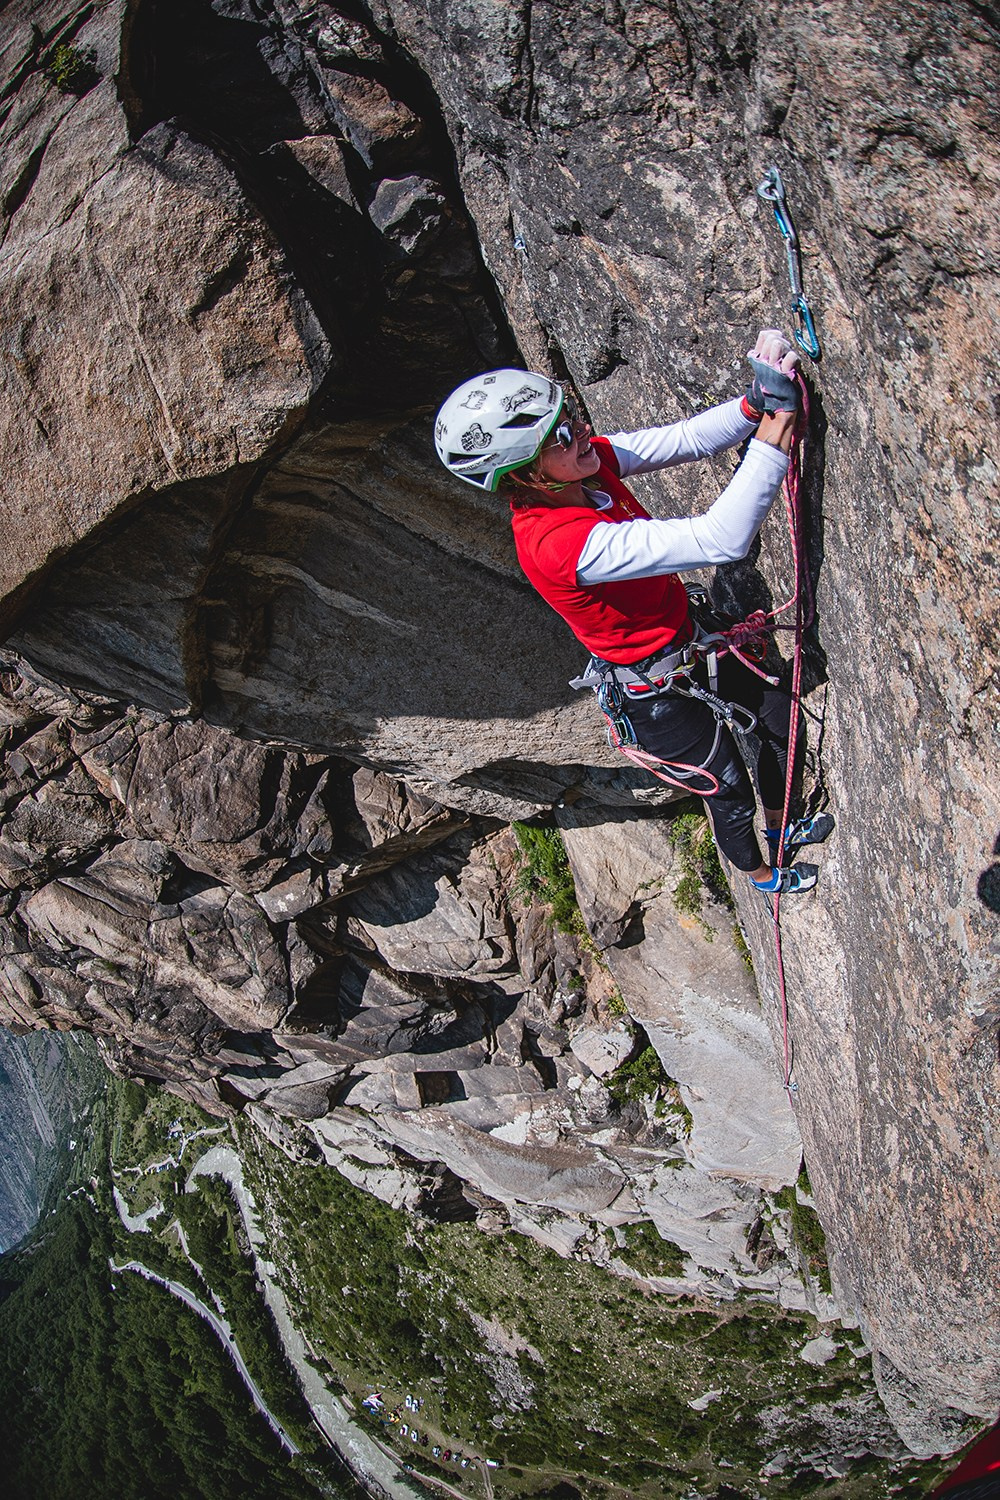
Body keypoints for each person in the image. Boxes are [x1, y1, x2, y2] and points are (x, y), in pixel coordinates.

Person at [434, 332, 832, 892]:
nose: (576, 434)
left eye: (567, 417)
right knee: (725, 786)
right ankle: (762, 873)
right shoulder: (559, 545)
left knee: (773, 713)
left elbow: (685, 440)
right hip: (653, 696)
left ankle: (783, 825)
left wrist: (754, 406)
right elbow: (722, 539)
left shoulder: (583, 467)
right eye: (558, 436)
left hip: (689, 640)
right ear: (526, 475)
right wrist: (776, 430)